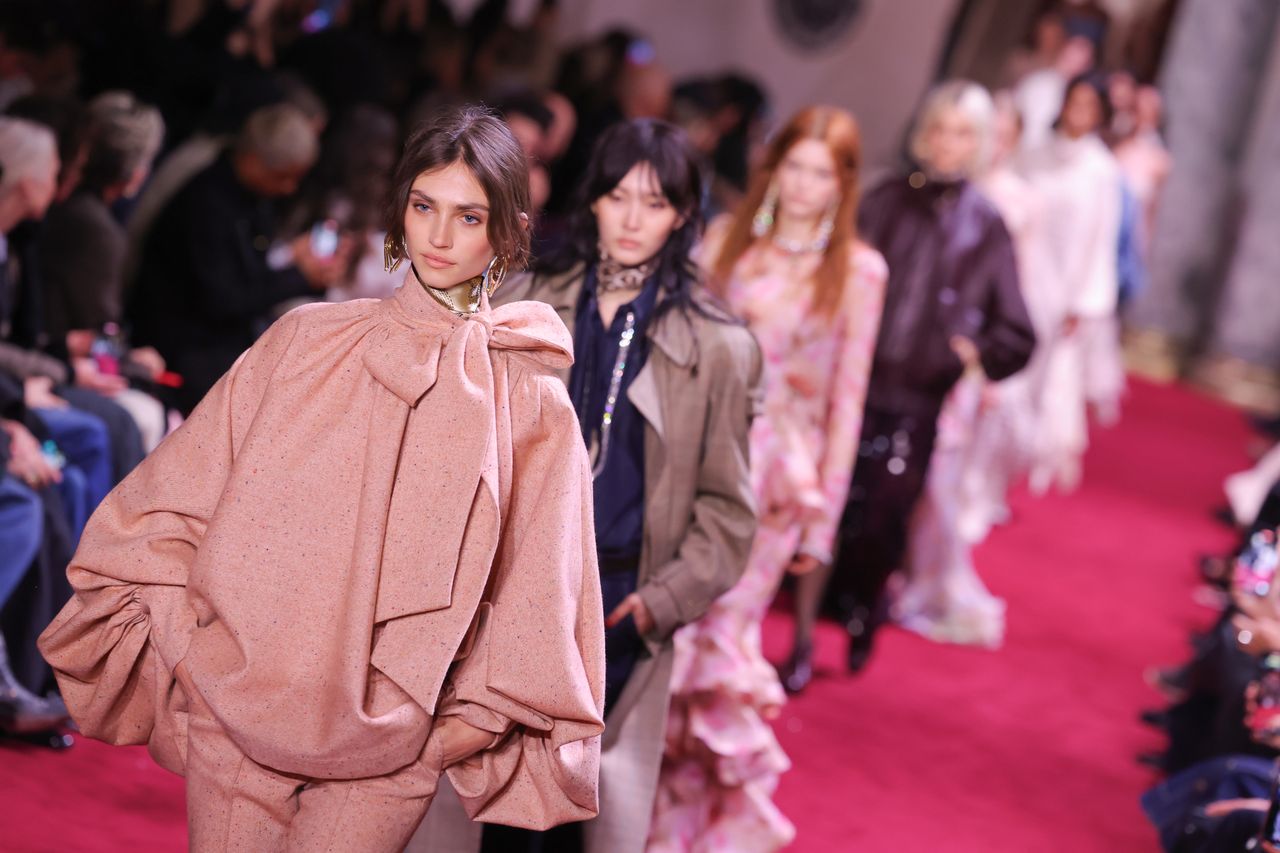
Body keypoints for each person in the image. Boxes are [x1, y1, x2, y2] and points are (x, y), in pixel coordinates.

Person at [39, 105, 606, 850]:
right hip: (237, 721)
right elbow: (164, 509)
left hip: (390, 752)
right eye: (424, 206)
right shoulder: (305, 341)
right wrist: (195, 649)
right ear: (399, 209)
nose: (438, 236)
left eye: (467, 216)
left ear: (506, 231)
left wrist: (446, 733)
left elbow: (542, 590)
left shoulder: (529, 400)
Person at [418, 117, 760, 853]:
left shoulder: (719, 346)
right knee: (488, 788)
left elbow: (730, 512)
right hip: (512, 580)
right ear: (593, 200)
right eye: (618, 196)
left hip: (619, 597)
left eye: (656, 202)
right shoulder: (525, 297)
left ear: (683, 216)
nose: (634, 218)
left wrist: (658, 604)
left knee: (570, 813)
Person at [651, 105, 886, 851]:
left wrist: (825, 515)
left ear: (843, 182)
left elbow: (848, 401)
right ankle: (638, 815)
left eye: (824, 171)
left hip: (778, 482)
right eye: (796, 165)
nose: (808, 183)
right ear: (773, 166)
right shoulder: (727, 242)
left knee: (722, 638)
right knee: (670, 628)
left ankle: (699, 829)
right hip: (694, 453)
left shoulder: (858, 271)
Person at [789, 80, 1036, 683]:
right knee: (824, 512)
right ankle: (799, 640)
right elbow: (832, 269)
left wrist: (971, 351)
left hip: (918, 401)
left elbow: (1019, 330)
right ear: (924, 133)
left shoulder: (986, 222)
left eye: (963, 134)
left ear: (979, 143)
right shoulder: (882, 199)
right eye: (940, 129)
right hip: (848, 385)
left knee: (885, 516)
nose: (948, 145)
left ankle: (865, 607)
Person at [126, 102, 345, 413]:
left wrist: (293, 264)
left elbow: (248, 279)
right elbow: (223, 301)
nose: (289, 188)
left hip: (224, 336)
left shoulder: (253, 198)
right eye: (283, 177)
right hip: (180, 346)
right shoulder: (206, 203)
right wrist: (298, 277)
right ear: (253, 160)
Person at [1020, 72, 1126, 494]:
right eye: (1074, 102)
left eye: (1090, 106)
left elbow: (1101, 239)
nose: (1079, 113)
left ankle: (1021, 466)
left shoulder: (1101, 170)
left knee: (1041, 383)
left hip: (1062, 288)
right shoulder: (1034, 154)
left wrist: (1083, 303)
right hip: (1021, 276)